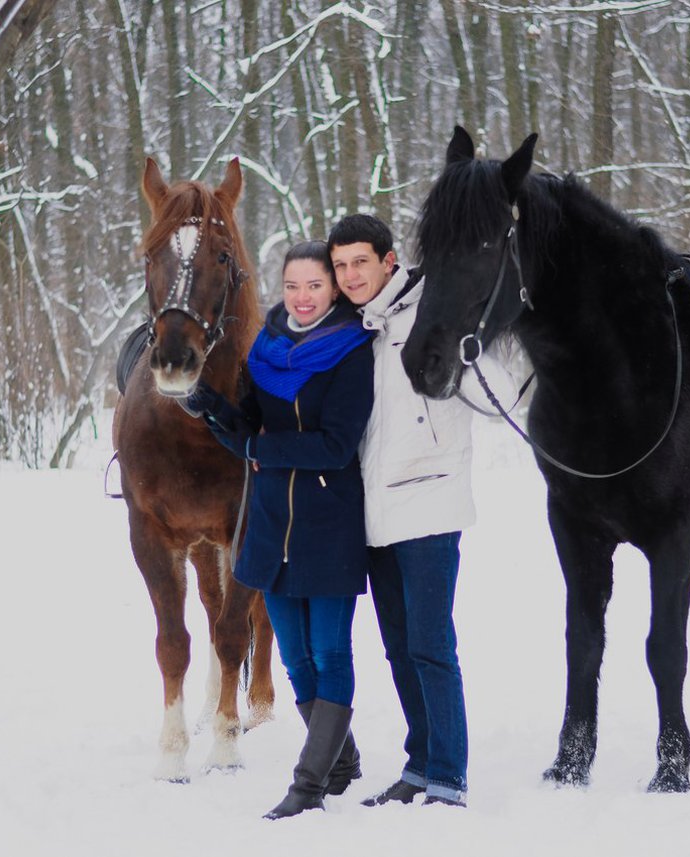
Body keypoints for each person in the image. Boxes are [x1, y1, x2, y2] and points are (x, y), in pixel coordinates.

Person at [329, 213, 513, 809]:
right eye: (340, 266)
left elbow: (503, 399)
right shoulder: (358, 328)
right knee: (398, 646)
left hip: (430, 505)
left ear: (388, 261)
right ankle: (419, 764)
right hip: (375, 513)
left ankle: (449, 777)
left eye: (361, 261)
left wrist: (466, 354)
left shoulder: (433, 312)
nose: (350, 275)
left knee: (432, 644)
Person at [189, 240, 374, 820]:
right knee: (295, 659)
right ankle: (341, 762)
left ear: (334, 290)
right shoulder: (265, 350)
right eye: (292, 286)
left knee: (329, 652)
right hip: (270, 528)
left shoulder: (352, 352)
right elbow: (247, 431)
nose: (302, 297)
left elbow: (337, 445)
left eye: (315, 286)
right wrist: (213, 410)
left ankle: (307, 784)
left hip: (328, 525)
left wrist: (261, 446)